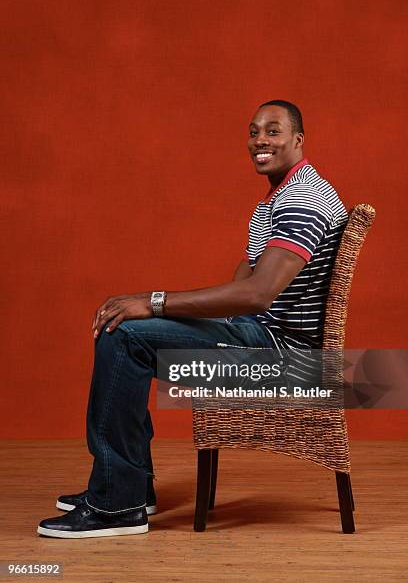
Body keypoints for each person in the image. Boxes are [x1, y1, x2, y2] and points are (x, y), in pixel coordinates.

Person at [37, 100, 348, 538]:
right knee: (129, 329)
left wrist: (155, 302)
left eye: (273, 132)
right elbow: (241, 287)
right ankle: (130, 487)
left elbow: (258, 294)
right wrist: (168, 313)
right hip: (255, 335)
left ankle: (116, 505)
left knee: (124, 335)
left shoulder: (304, 200)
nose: (260, 140)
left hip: (282, 359)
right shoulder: (279, 197)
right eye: (254, 131)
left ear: (298, 140)